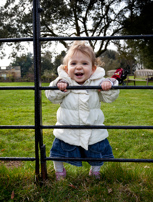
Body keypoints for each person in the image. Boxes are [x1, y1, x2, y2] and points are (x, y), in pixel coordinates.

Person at [45, 41, 119, 180]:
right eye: (73, 64)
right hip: (68, 129)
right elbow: (51, 97)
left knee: (98, 152)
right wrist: (59, 87)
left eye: (84, 63)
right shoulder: (63, 81)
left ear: (92, 69)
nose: (79, 67)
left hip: (93, 129)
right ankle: (59, 172)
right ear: (67, 69)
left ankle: (95, 171)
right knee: (58, 152)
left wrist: (109, 85)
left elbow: (110, 98)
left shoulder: (97, 82)